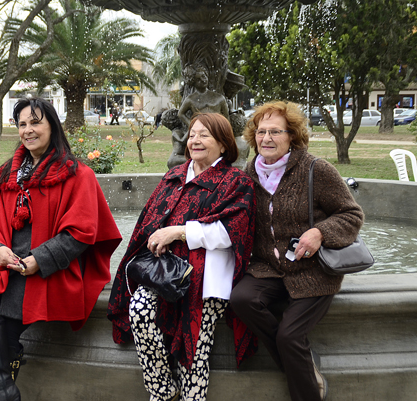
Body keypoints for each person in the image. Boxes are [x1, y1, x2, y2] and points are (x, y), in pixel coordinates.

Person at [0, 97, 121, 401]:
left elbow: (81, 232)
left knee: (10, 316)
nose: (28, 130)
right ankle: (3, 387)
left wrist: (39, 260)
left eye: (35, 122)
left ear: (52, 126)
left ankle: (0, 391)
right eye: (22, 124)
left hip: (48, 265)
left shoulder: (78, 175)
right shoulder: (7, 174)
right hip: (6, 258)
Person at [107, 112, 256, 401]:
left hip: (206, 280)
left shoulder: (235, 182)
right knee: (138, 310)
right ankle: (162, 389)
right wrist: (155, 238)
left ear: (224, 144)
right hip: (163, 273)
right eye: (192, 134)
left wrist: (177, 232)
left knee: (195, 351)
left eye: (204, 135)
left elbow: (231, 233)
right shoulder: (173, 177)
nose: (195, 140)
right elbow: (149, 221)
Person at [230, 101, 364, 401]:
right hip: (269, 268)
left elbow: (352, 215)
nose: (266, 138)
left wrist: (320, 232)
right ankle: (303, 365)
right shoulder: (249, 173)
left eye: (275, 131)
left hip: (312, 272)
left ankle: (305, 385)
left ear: (292, 135)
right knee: (240, 299)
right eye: (261, 131)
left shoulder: (316, 169)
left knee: (289, 337)